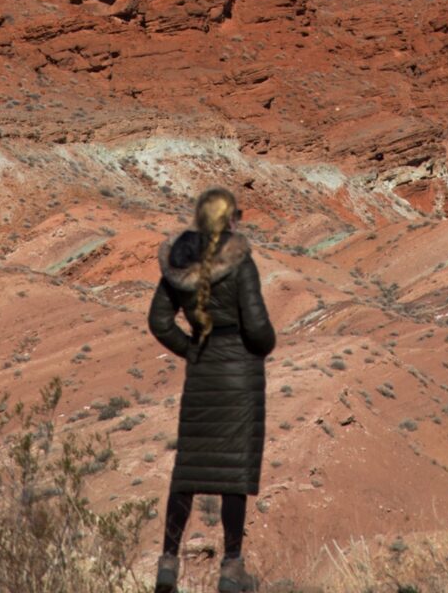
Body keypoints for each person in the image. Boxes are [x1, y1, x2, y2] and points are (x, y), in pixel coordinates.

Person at [148, 186, 276, 593]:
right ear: (229, 220)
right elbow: (257, 325)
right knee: (232, 473)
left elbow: (159, 321)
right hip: (238, 370)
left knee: (189, 467)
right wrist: (261, 346)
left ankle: (168, 560)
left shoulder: (178, 263)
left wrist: (191, 349)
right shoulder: (241, 263)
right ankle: (231, 566)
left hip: (202, 369)